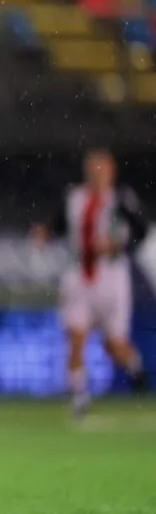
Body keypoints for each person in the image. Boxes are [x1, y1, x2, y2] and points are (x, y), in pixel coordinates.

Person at [32, 148, 149, 416]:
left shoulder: (121, 199)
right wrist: (46, 232)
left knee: (114, 346)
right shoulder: (74, 197)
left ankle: (134, 366)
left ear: (111, 171)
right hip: (79, 276)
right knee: (75, 337)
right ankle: (79, 399)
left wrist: (116, 246)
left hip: (112, 278)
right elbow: (60, 225)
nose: (96, 173)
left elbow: (140, 234)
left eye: (101, 168)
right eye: (92, 168)